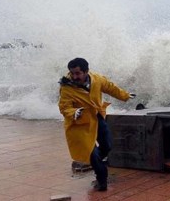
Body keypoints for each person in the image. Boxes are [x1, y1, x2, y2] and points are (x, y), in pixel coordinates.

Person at [58, 57, 135, 191]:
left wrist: (125, 95)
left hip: (96, 117)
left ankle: (96, 161)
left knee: (107, 145)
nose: (74, 76)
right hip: (79, 124)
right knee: (92, 153)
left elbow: (110, 88)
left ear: (86, 71)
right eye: (72, 73)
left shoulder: (97, 79)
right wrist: (74, 112)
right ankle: (101, 179)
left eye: (78, 73)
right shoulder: (66, 88)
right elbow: (64, 107)